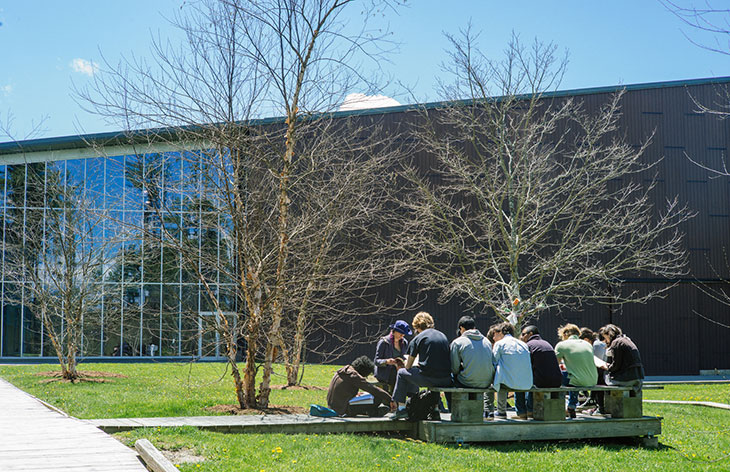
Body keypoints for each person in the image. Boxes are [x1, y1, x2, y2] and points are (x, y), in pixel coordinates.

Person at [391, 312, 453, 420]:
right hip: (446, 379)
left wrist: (408, 364)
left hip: (429, 378)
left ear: (416, 327)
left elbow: (408, 366)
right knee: (434, 372)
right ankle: (435, 410)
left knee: (401, 373)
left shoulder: (418, 338)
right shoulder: (442, 335)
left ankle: (401, 409)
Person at [446, 316, 494, 410]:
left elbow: (454, 369)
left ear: (461, 328)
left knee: (450, 378)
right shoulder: (486, 341)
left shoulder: (457, 342)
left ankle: (453, 411)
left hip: (467, 381)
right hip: (487, 382)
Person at [516, 325, 562, 419]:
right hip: (557, 381)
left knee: (518, 385)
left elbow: (523, 367)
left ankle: (524, 413)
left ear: (530, 334)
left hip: (542, 382)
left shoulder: (528, 345)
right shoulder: (547, 343)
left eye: (523, 334)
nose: (521, 337)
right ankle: (530, 410)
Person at [327, 355, 395, 417]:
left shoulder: (344, 370)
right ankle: (374, 412)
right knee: (377, 398)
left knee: (367, 397)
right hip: (343, 409)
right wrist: (390, 399)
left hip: (333, 406)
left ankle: (372, 411)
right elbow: (373, 389)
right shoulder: (354, 376)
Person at [554, 323, 598, 418]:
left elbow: (554, 366)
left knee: (555, 377)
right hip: (593, 380)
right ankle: (571, 407)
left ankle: (559, 406)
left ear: (565, 334)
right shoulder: (587, 344)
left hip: (577, 380)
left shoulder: (561, 345)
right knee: (573, 376)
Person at [492, 321, 533, 419]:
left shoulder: (500, 344)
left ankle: (501, 411)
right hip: (526, 382)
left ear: (501, 332)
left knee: (500, 374)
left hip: (507, 382)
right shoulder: (523, 344)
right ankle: (522, 412)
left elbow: (493, 362)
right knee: (516, 374)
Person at [598, 324, 645, 389]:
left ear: (609, 335)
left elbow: (616, 365)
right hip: (638, 377)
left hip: (627, 378)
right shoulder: (626, 340)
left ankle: (599, 398)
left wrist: (607, 367)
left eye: (605, 338)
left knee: (602, 376)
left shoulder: (616, 343)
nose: (606, 341)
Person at [374, 320, 412, 391]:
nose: (402, 335)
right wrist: (387, 361)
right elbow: (376, 361)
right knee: (398, 378)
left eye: (404, 334)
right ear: (394, 331)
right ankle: (395, 400)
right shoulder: (383, 342)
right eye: (401, 333)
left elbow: (405, 357)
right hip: (385, 373)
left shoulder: (405, 343)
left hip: (399, 370)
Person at [579, 327, 607, 414]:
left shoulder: (596, 345)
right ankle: (591, 400)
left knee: (597, 376)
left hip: (604, 373)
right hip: (601, 373)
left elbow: (597, 363)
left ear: (586, 340)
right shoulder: (595, 344)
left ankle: (598, 405)